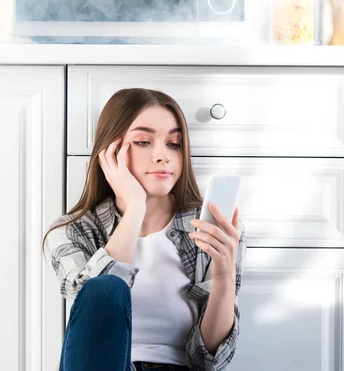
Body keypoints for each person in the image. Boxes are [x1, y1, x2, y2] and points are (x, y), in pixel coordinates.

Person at [42, 88, 247, 371]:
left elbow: (210, 360)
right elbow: (93, 315)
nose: (163, 155)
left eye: (174, 144)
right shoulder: (71, 232)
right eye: (143, 142)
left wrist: (224, 275)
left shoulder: (211, 229)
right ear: (110, 152)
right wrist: (135, 205)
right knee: (106, 288)